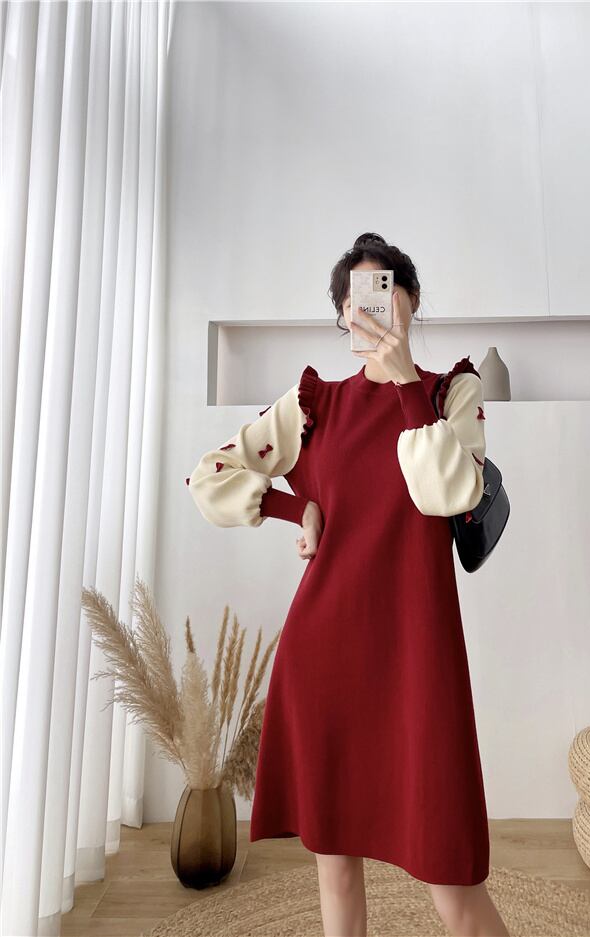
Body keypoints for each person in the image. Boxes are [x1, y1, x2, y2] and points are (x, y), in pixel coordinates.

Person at [187, 233, 511, 937]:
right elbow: (209, 474)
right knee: (335, 875)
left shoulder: (451, 393)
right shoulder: (313, 406)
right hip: (325, 659)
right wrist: (292, 507)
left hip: (418, 660)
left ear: (411, 300)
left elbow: (448, 491)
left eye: (386, 288)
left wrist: (404, 386)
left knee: (454, 882)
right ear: (342, 313)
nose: (373, 306)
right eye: (357, 296)